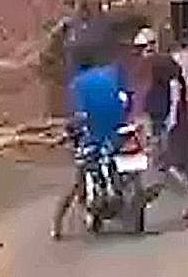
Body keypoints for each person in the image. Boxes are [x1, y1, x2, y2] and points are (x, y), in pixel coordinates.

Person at [50, 41, 132, 240]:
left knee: (77, 182)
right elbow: (126, 99)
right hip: (118, 133)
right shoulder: (110, 74)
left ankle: (56, 226)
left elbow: (79, 114)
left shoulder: (78, 84)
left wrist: (68, 132)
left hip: (94, 137)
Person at [132, 27, 188, 220]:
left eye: (148, 45)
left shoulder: (164, 63)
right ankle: (186, 201)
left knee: (166, 164)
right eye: (141, 47)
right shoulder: (147, 64)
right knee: (160, 164)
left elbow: (175, 90)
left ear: (154, 45)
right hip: (157, 119)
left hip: (166, 119)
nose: (145, 50)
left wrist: (171, 119)